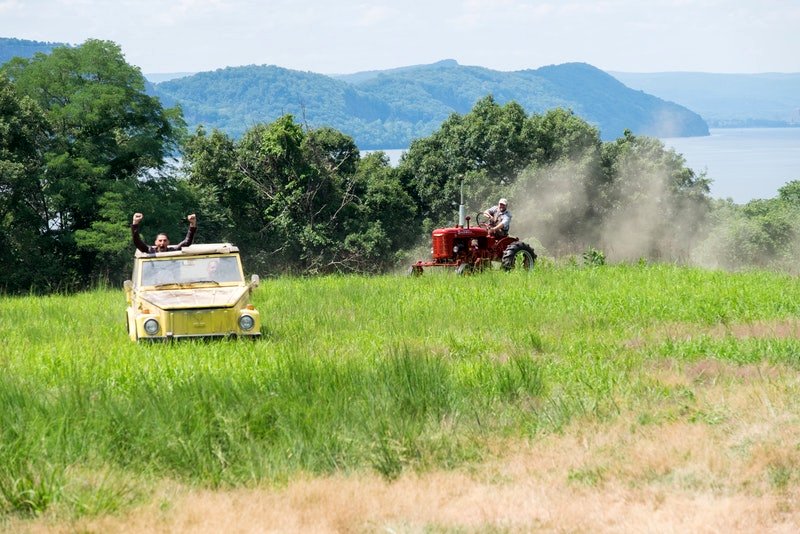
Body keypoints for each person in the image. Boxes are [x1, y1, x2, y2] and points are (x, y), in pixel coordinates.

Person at [131, 212, 197, 253]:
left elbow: (187, 242)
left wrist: (192, 223)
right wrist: (135, 222)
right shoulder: (150, 251)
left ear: (168, 242)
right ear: (155, 242)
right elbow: (137, 241)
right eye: (160, 241)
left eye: (165, 241)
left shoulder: (173, 251)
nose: (162, 243)